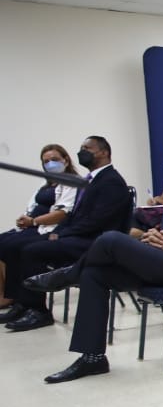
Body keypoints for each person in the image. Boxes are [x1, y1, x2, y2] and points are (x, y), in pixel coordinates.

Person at [25, 132, 163, 382]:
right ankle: (92, 357)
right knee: (94, 274)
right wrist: (156, 237)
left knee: (110, 239)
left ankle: (65, 275)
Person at [4, 136, 131, 332]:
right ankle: (23, 303)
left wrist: (61, 234)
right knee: (20, 246)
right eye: (81, 148)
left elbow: (95, 221)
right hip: (80, 236)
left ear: (104, 152)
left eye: (88, 148)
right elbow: (76, 216)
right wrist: (60, 231)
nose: (82, 152)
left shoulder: (111, 181)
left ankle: (38, 311)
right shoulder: (92, 179)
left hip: (97, 242)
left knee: (33, 250)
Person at [0, 144, 78, 319]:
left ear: (65, 160)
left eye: (55, 160)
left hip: (51, 229)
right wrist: (25, 219)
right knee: (4, 243)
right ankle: (14, 299)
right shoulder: (45, 183)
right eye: (46, 161)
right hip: (34, 227)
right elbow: (33, 206)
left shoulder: (72, 182)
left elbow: (62, 213)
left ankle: (28, 304)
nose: (50, 164)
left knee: (19, 247)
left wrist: (34, 221)